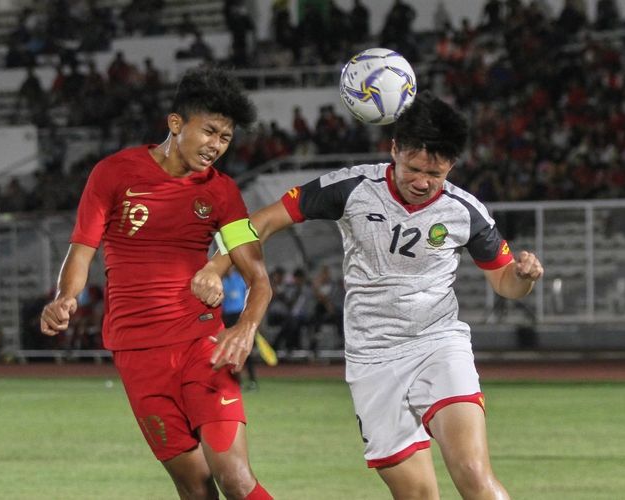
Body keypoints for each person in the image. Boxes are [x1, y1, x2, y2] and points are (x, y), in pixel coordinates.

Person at [192, 93, 544, 499]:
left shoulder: (464, 211)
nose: (422, 182)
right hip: (372, 359)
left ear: (452, 165)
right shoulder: (353, 187)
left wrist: (523, 276)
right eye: (413, 168)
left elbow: (505, 282)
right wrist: (215, 266)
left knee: (473, 474)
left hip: (438, 345)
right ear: (394, 149)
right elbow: (263, 221)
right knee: (417, 496)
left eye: (436, 173)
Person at [39, 67, 273, 500]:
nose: (216, 146)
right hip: (137, 354)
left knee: (235, 478)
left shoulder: (222, 193)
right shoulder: (113, 174)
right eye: (210, 132)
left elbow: (259, 279)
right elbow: (83, 247)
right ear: (176, 123)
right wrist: (65, 297)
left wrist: (244, 328)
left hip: (202, 345)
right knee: (195, 488)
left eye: (225, 138)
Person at [221, 267, 257, 390]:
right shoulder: (222, 281)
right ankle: (237, 382)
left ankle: (252, 381)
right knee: (230, 351)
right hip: (227, 317)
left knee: (244, 349)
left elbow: (248, 298)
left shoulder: (240, 279)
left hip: (239, 316)